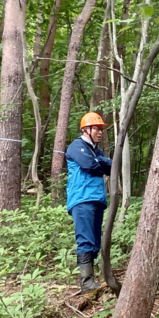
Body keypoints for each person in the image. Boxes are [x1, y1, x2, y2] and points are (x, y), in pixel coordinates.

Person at [66, 112, 112, 294]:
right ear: (86, 129)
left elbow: (109, 166)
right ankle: (86, 282)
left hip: (96, 199)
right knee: (85, 239)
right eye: (97, 128)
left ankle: (93, 279)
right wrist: (101, 162)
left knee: (94, 240)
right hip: (82, 199)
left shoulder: (96, 151)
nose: (100, 132)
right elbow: (89, 166)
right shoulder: (77, 146)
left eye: (101, 129)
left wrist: (100, 160)